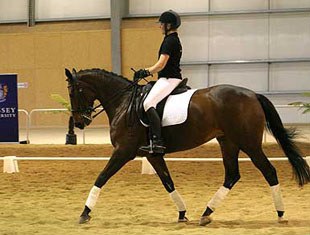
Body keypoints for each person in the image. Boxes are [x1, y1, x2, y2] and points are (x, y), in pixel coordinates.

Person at [134, 10, 183, 154]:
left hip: (169, 79)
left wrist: (145, 71)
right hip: (169, 78)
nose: (159, 26)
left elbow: (161, 64)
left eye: (161, 24)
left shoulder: (169, 41)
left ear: (168, 25)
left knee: (148, 103)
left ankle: (157, 141)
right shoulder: (173, 39)